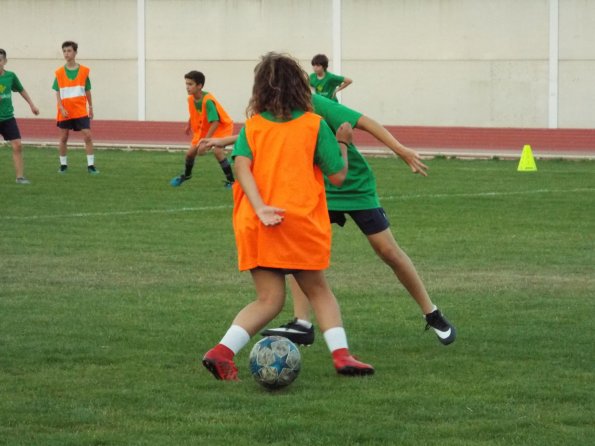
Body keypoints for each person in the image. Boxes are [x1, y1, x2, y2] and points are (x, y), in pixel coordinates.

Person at [205, 95, 456, 347]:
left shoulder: (316, 104)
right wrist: (224, 141)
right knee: (297, 251)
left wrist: (401, 151)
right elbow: (265, 134)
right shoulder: (279, 110)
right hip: (317, 191)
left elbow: (365, 122)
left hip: (352, 184)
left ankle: (431, 312)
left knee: (388, 250)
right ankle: (302, 323)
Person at [202, 52, 374, 381]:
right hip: (298, 222)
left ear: (260, 90)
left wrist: (261, 207)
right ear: (301, 86)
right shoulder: (313, 125)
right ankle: (342, 356)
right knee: (319, 291)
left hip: (257, 222)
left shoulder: (253, 127)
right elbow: (338, 176)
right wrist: (342, 143)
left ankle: (221, 352)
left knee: (269, 299)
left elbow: (241, 166)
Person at [170, 71, 235, 188]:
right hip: (204, 129)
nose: (187, 87)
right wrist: (189, 124)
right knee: (190, 154)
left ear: (199, 86)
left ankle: (232, 181)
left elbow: (215, 121)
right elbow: (196, 112)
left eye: (190, 84)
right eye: (186, 84)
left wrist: (206, 140)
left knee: (217, 151)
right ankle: (186, 175)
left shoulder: (208, 101)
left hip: (221, 127)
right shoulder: (191, 99)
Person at [53, 41, 98, 174]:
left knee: (88, 135)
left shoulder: (84, 71)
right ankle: (63, 165)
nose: (66, 54)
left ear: (75, 52)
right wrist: (60, 107)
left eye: (69, 51)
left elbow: (87, 90)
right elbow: (57, 91)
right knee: (63, 137)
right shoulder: (59, 72)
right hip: (65, 110)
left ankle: (91, 166)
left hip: (80, 109)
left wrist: (90, 107)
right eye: (64, 51)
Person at [0, 48, 39, 184]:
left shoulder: (10, 76)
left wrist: (32, 105)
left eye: (0, 60)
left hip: (8, 118)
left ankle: (20, 177)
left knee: (17, 145)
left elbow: (21, 90)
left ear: (5, 61)